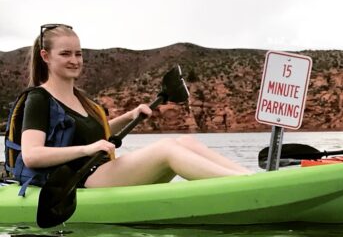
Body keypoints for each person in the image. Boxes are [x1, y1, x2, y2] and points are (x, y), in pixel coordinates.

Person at [3, 23, 248, 195]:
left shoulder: (81, 99)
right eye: (65, 54)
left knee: (186, 141)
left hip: (99, 173)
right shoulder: (38, 98)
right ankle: (241, 188)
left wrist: (130, 116)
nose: (75, 60)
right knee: (166, 150)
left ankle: (252, 179)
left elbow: (96, 133)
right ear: (45, 56)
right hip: (78, 181)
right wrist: (88, 149)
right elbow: (32, 154)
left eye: (78, 53)